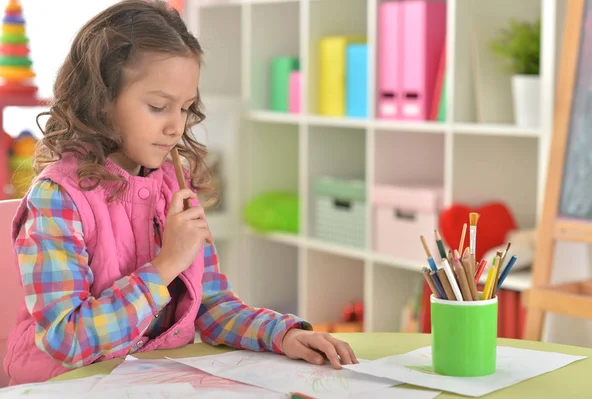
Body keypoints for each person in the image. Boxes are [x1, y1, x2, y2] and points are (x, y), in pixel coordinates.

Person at [3, 0, 357, 385]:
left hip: (148, 381)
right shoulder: (57, 198)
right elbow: (67, 341)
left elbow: (210, 306)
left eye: (186, 108)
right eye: (159, 107)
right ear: (100, 101)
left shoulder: (174, 183)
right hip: (62, 385)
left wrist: (283, 334)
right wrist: (166, 263)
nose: (176, 127)